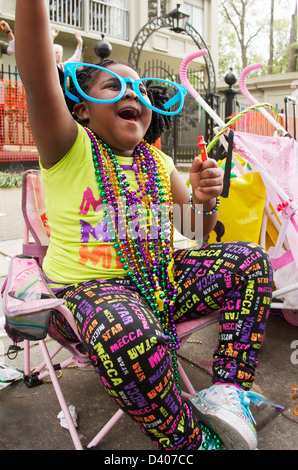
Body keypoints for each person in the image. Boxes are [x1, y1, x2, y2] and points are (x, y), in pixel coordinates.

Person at [15, 0, 283, 451]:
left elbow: (197, 231)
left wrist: (204, 198)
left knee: (250, 262)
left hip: (160, 279)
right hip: (91, 290)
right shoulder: (67, 145)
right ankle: (189, 441)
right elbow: (38, 73)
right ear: (80, 109)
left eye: (140, 89)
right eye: (113, 86)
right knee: (129, 332)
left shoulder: (157, 160)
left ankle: (227, 395)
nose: (132, 95)